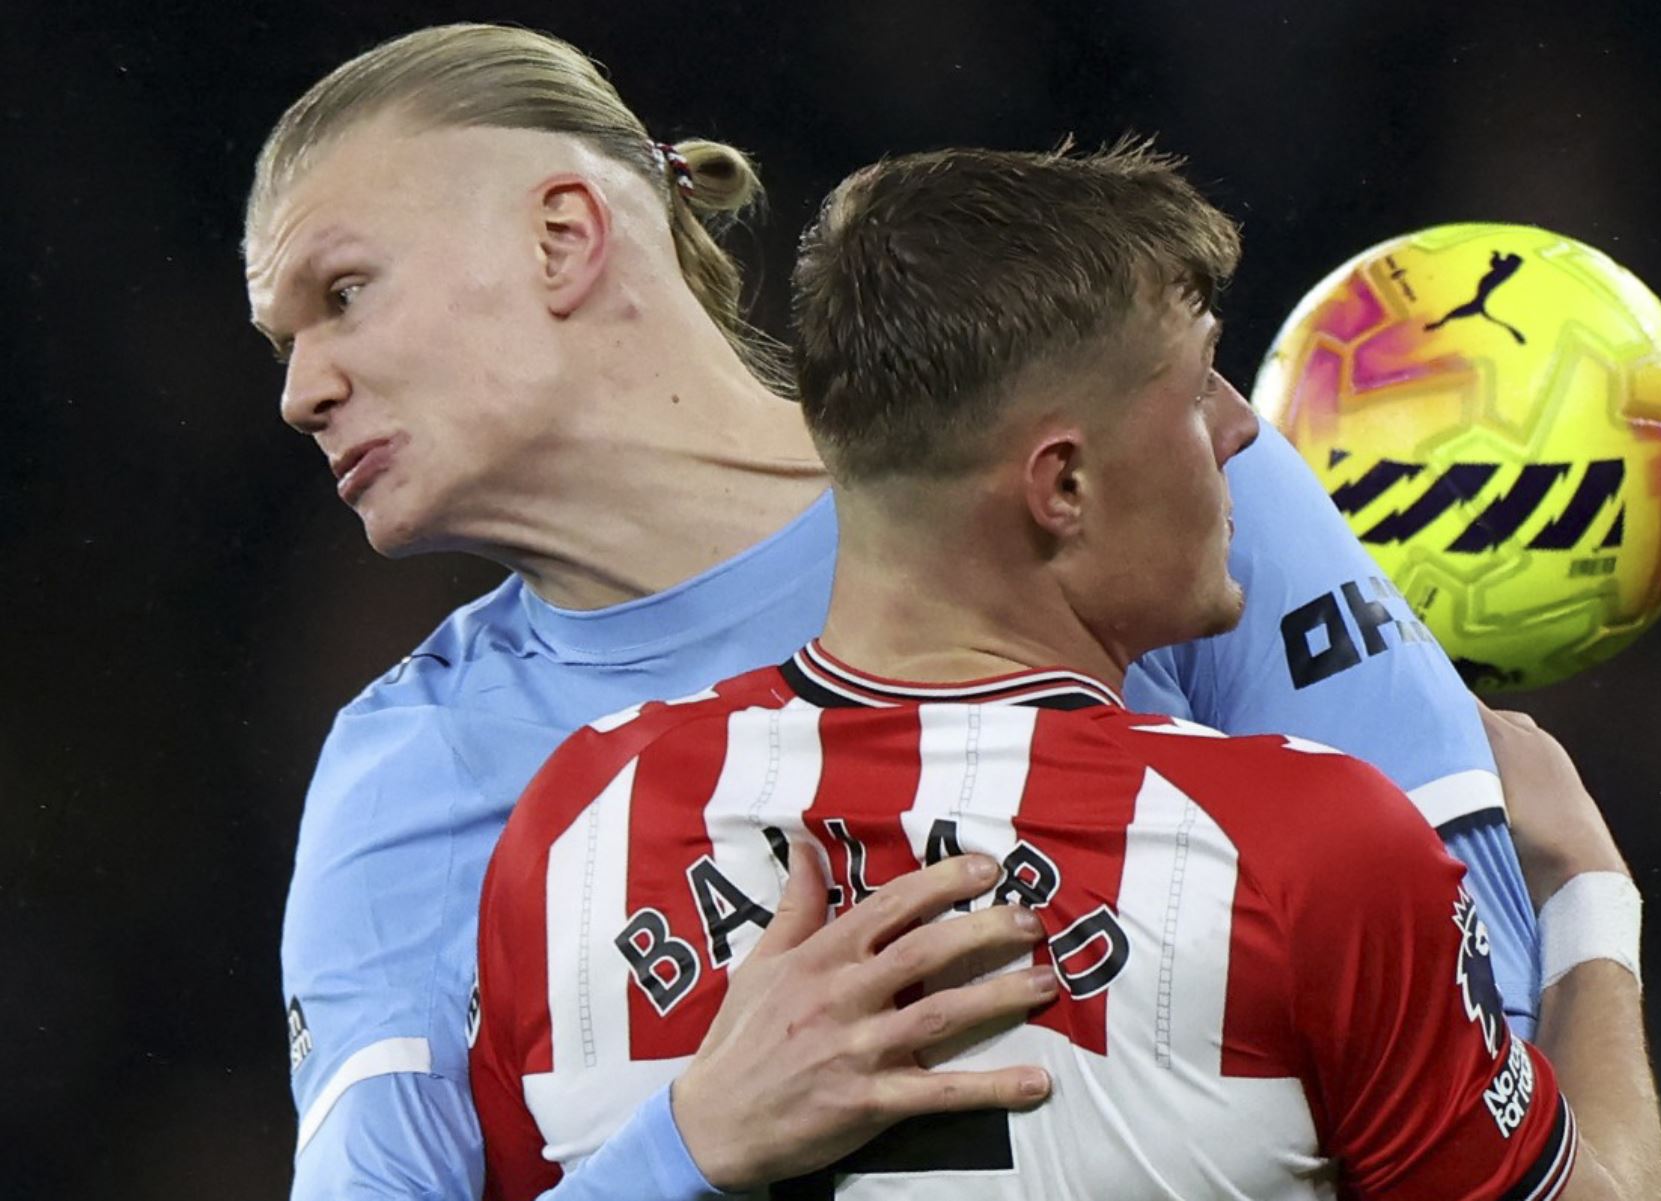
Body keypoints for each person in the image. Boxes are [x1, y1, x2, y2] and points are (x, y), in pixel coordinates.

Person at [243, 23, 1543, 1201]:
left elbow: (1475, 1013)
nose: (303, 389)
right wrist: (688, 1143)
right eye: (281, 343)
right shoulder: (406, 778)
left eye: (342, 294)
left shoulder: (1130, 444)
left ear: (564, 235)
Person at [471, 143, 1661, 1200]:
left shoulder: (574, 836)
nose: (1242, 429)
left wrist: (678, 1151)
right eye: (1199, 380)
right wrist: (1587, 899)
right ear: (1063, 486)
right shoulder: (1311, 851)